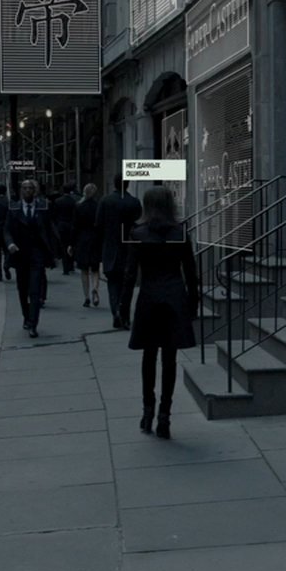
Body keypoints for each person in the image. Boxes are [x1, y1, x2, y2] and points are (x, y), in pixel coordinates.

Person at [118, 186, 199, 440]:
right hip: (174, 297)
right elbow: (191, 273)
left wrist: (123, 306)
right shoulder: (180, 233)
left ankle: (147, 410)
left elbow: (130, 274)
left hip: (149, 298)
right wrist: (193, 304)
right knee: (170, 358)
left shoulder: (137, 233)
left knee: (149, 356)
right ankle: (165, 415)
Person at [4, 179, 61, 338]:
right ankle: (26, 317)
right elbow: (7, 230)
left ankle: (33, 324)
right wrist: (10, 244)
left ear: (34, 191)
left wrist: (55, 251)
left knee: (35, 290)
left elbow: (50, 228)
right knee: (23, 289)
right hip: (20, 254)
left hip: (37, 254)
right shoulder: (14, 208)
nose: (28, 191)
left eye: (31, 188)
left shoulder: (43, 207)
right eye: (25, 188)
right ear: (21, 191)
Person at [97, 175, 142, 330]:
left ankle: (116, 310)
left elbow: (99, 224)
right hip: (128, 248)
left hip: (110, 247)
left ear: (114, 184)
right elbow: (138, 222)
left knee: (112, 283)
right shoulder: (134, 202)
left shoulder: (105, 201)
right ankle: (125, 315)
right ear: (127, 184)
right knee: (127, 285)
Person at [71, 183, 102, 308]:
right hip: (95, 240)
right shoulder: (98, 206)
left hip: (82, 240)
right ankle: (95, 288)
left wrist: (71, 244)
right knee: (95, 269)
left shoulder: (79, 206)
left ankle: (86, 297)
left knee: (84, 270)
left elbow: (74, 226)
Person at [52, 183, 78, 276]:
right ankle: (71, 266)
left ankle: (66, 268)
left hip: (61, 225)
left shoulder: (58, 201)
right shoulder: (73, 201)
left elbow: (54, 214)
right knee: (71, 245)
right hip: (71, 225)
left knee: (63, 246)